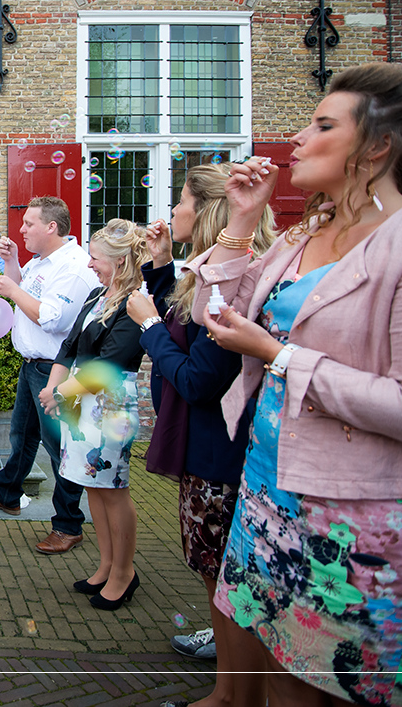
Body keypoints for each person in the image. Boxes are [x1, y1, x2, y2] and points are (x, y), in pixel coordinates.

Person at [195, 62, 402, 705]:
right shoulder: (303, 235)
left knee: (340, 688)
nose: (300, 140)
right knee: (285, 676)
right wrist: (240, 220)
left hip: (362, 524)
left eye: (321, 125)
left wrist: (279, 358)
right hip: (269, 494)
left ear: (377, 147)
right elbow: (216, 314)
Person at [125, 165, 274, 705]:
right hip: (205, 450)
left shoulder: (234, 284)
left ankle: (234, 694)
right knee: (216, 575)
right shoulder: (205, 274)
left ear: (208, 211)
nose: (171, 214)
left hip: (218, 453)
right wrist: (162, 267)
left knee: (223, 578)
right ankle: (230, 679)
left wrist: (145, 327)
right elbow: (180, 321)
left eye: (181, 202)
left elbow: (195, 376)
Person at [0, 196, 100, 555]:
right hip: (32, 366)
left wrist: (12, 289)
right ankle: (8, 494)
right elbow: (23, 289)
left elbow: (52, 318)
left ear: (51, 227)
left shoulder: (73, 268)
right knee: (22, 435)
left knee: (59, 448)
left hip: (53, 370)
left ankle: (68, 524)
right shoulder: (42, 262)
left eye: (28, 224)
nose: (21, 229)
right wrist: (12, 264)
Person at [38, 219, 146, 611]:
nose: (89, 265)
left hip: (110, 404)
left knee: (113, 490)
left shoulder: (136, 301)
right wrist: (53, 387)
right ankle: (104, 565)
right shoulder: (97, 295)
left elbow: (111, 361)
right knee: (92, 487)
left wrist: (62, 393)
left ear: (119, 262)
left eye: (96, 258)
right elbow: (68, 347)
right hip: (79, 400)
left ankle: (124, 573)